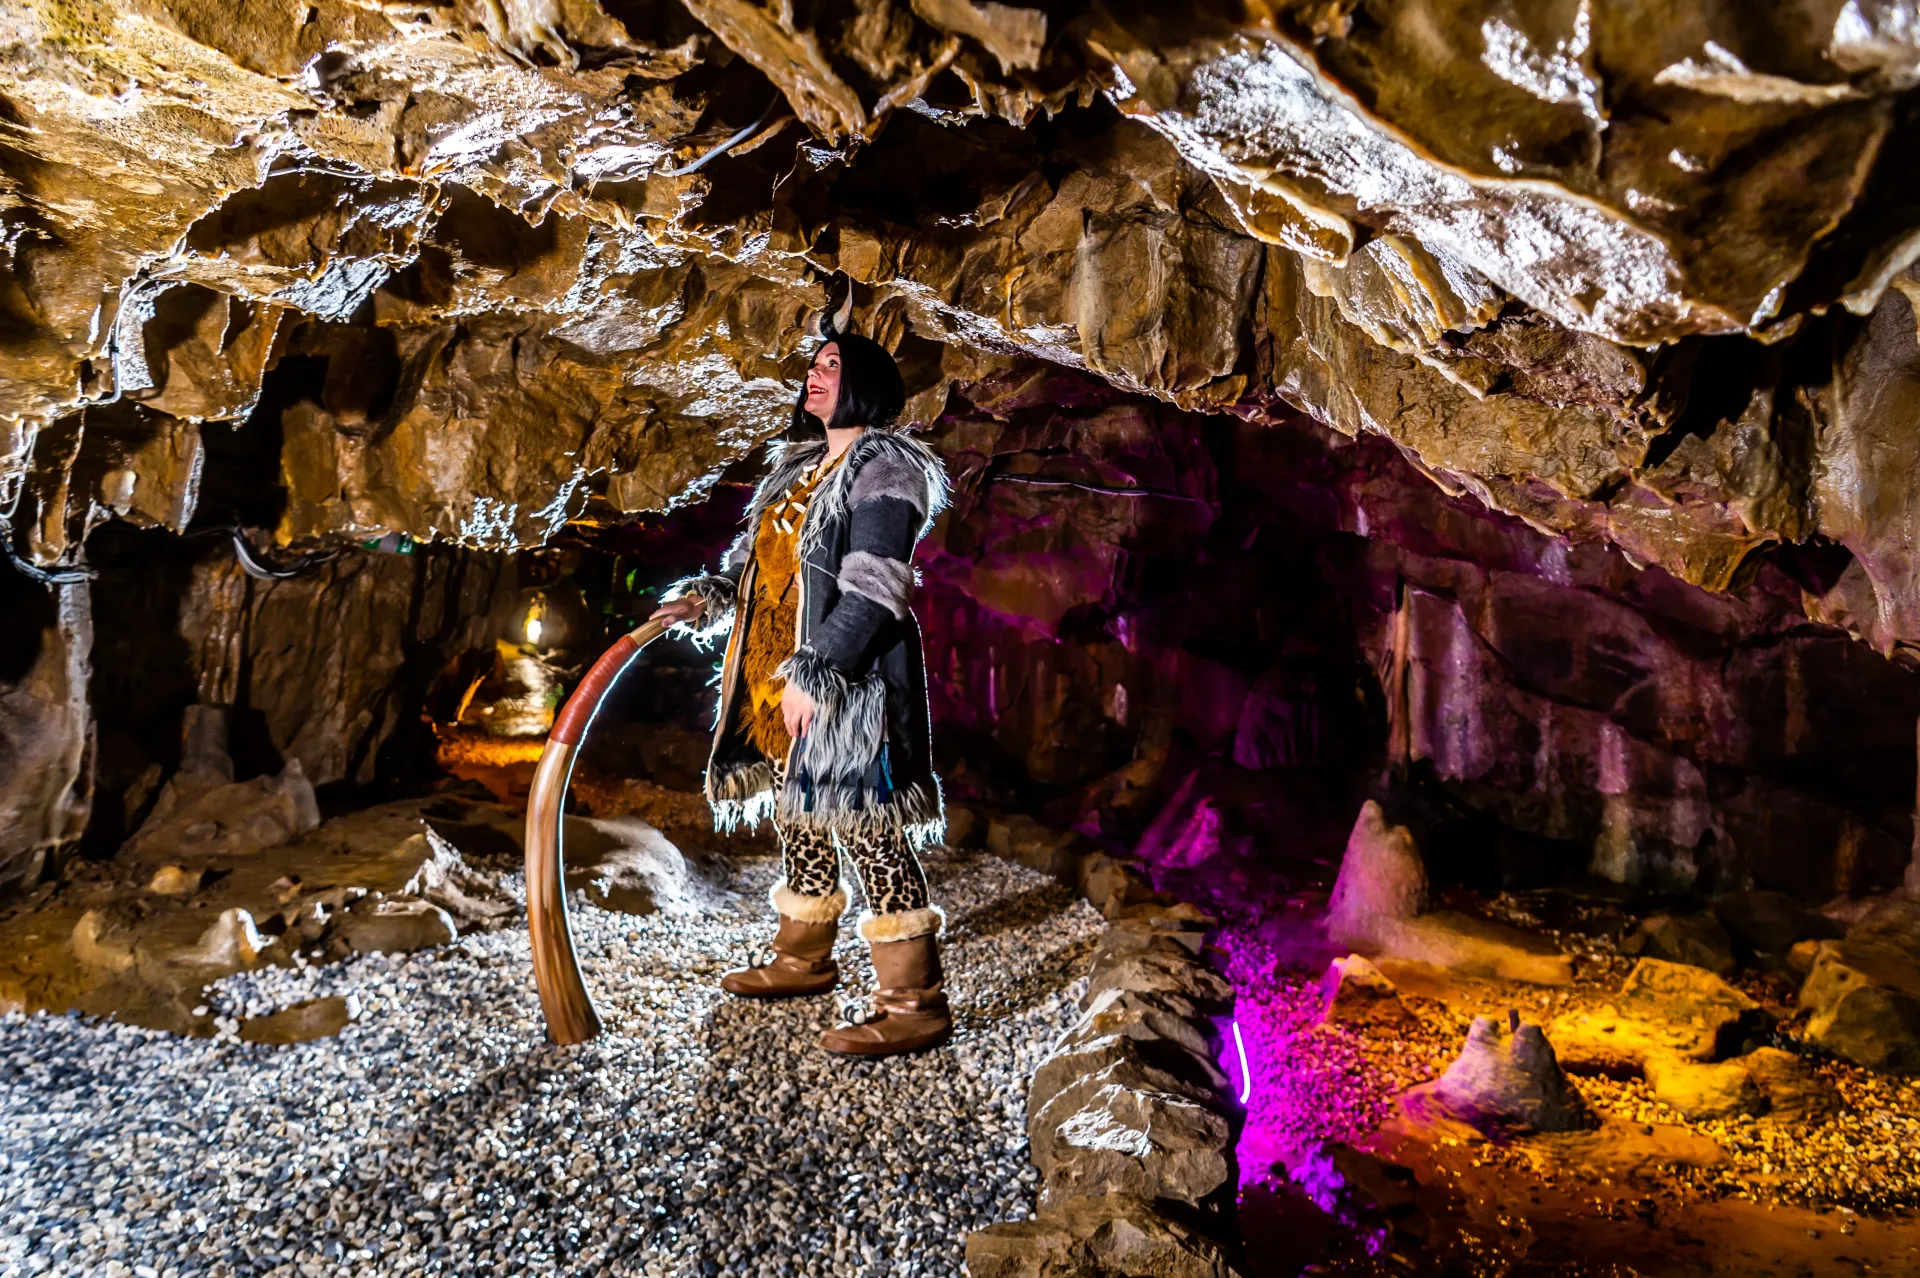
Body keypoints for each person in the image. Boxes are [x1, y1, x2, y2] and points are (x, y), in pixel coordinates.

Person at [648, 309, 952, 1058]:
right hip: (769, 674)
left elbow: (877, 587)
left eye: (829, 366)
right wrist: (706, 598)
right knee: (801, 819)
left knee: (866, 831)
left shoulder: (885, 466)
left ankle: (913, 1001)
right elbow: (757, 568)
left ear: (864, 385)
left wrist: (817, 675)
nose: (812, 377)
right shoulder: (795, 468)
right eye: (813, 366)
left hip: (840, 681)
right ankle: (802, 960)